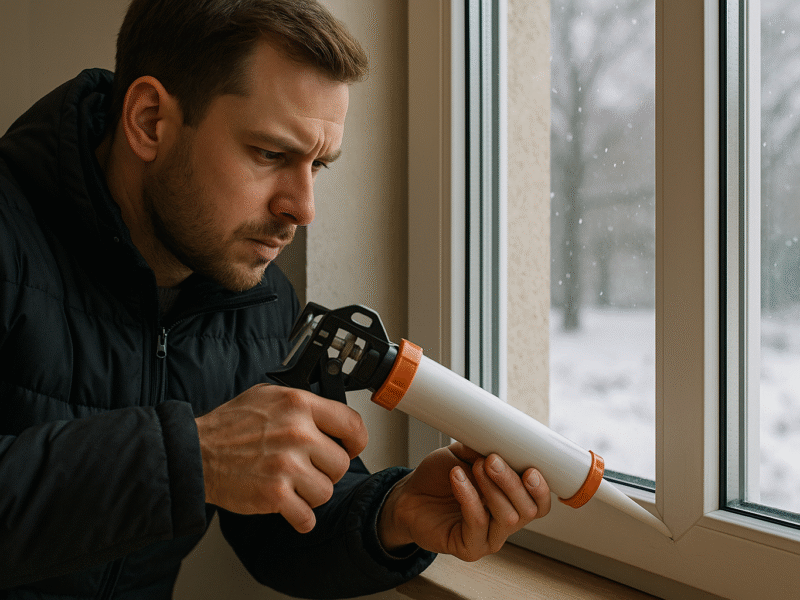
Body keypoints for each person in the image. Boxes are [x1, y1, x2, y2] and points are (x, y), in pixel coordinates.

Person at [0, 0, 551, 597]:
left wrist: (392, 515)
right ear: (150, 120)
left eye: (318, 164)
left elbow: (280, 524)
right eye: (270, 154)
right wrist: (189, 460)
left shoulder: (259, 301)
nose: (303, 208)